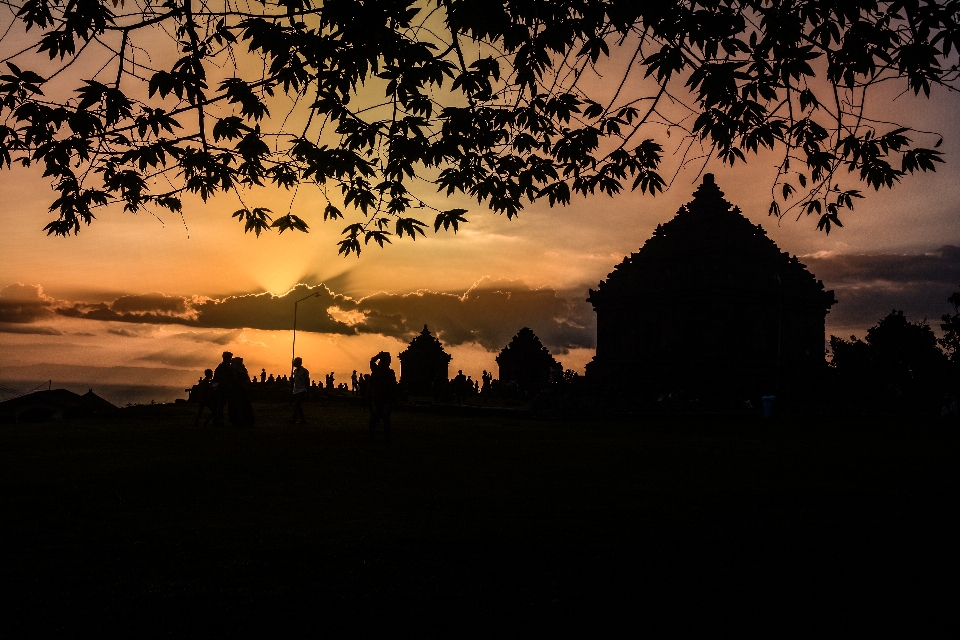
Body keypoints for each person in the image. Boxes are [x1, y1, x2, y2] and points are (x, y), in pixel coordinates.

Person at [368, 352, 397, 442]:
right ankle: (386, 438)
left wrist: (379, 355)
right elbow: (393, 387)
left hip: (378, 398)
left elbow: (372, 361)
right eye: (388, 360)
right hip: (384, 398)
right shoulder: (389, 372)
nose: (389, 362)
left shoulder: (377, 370)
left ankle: (373, 437)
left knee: (375, 418)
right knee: (385, 419)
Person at [230, 356, 255, 427]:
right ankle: (245, 420)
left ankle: (240, 420)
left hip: (239, 390)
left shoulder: (238, 369)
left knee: (240, 406)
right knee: (243, 406)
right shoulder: (241, 369)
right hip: (241, 389)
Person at [213, 351, 235, 426]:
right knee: (227, 405)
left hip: (223, 388)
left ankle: (221, 420)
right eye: (229, 358)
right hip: (227, 388)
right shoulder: (229, 367)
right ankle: (230, 419)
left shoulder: (219, 368)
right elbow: (233, 378)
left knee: (221, 405)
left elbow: (215, 380)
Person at [290, 356, 310, 424]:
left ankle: (294, 419)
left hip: (302, 390)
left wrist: (307, 389)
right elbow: (294, 381)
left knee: (297, 404)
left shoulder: (304, 371)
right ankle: (302, 419)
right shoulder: (295, 371)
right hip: (296, 390)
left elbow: (307, 380)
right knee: (298, 405)